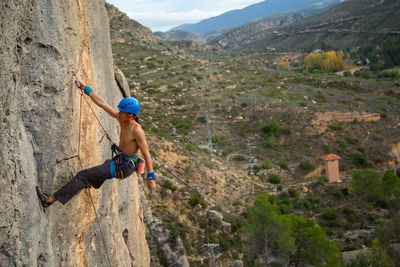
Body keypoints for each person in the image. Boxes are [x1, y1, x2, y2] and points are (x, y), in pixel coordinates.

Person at [36, 82, 156, 207]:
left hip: (124, 167)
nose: (119, 113)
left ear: (131, 115)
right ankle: (89, 183)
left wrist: (151, 178)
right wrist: (87, 90)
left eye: (122, 111)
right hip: (120, 161)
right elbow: (102, 104)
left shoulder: (137, 130)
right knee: (102, 168)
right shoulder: (123, 119)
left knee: (83, 175)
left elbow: (146, 153)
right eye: (120, 110)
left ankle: (49, 200)